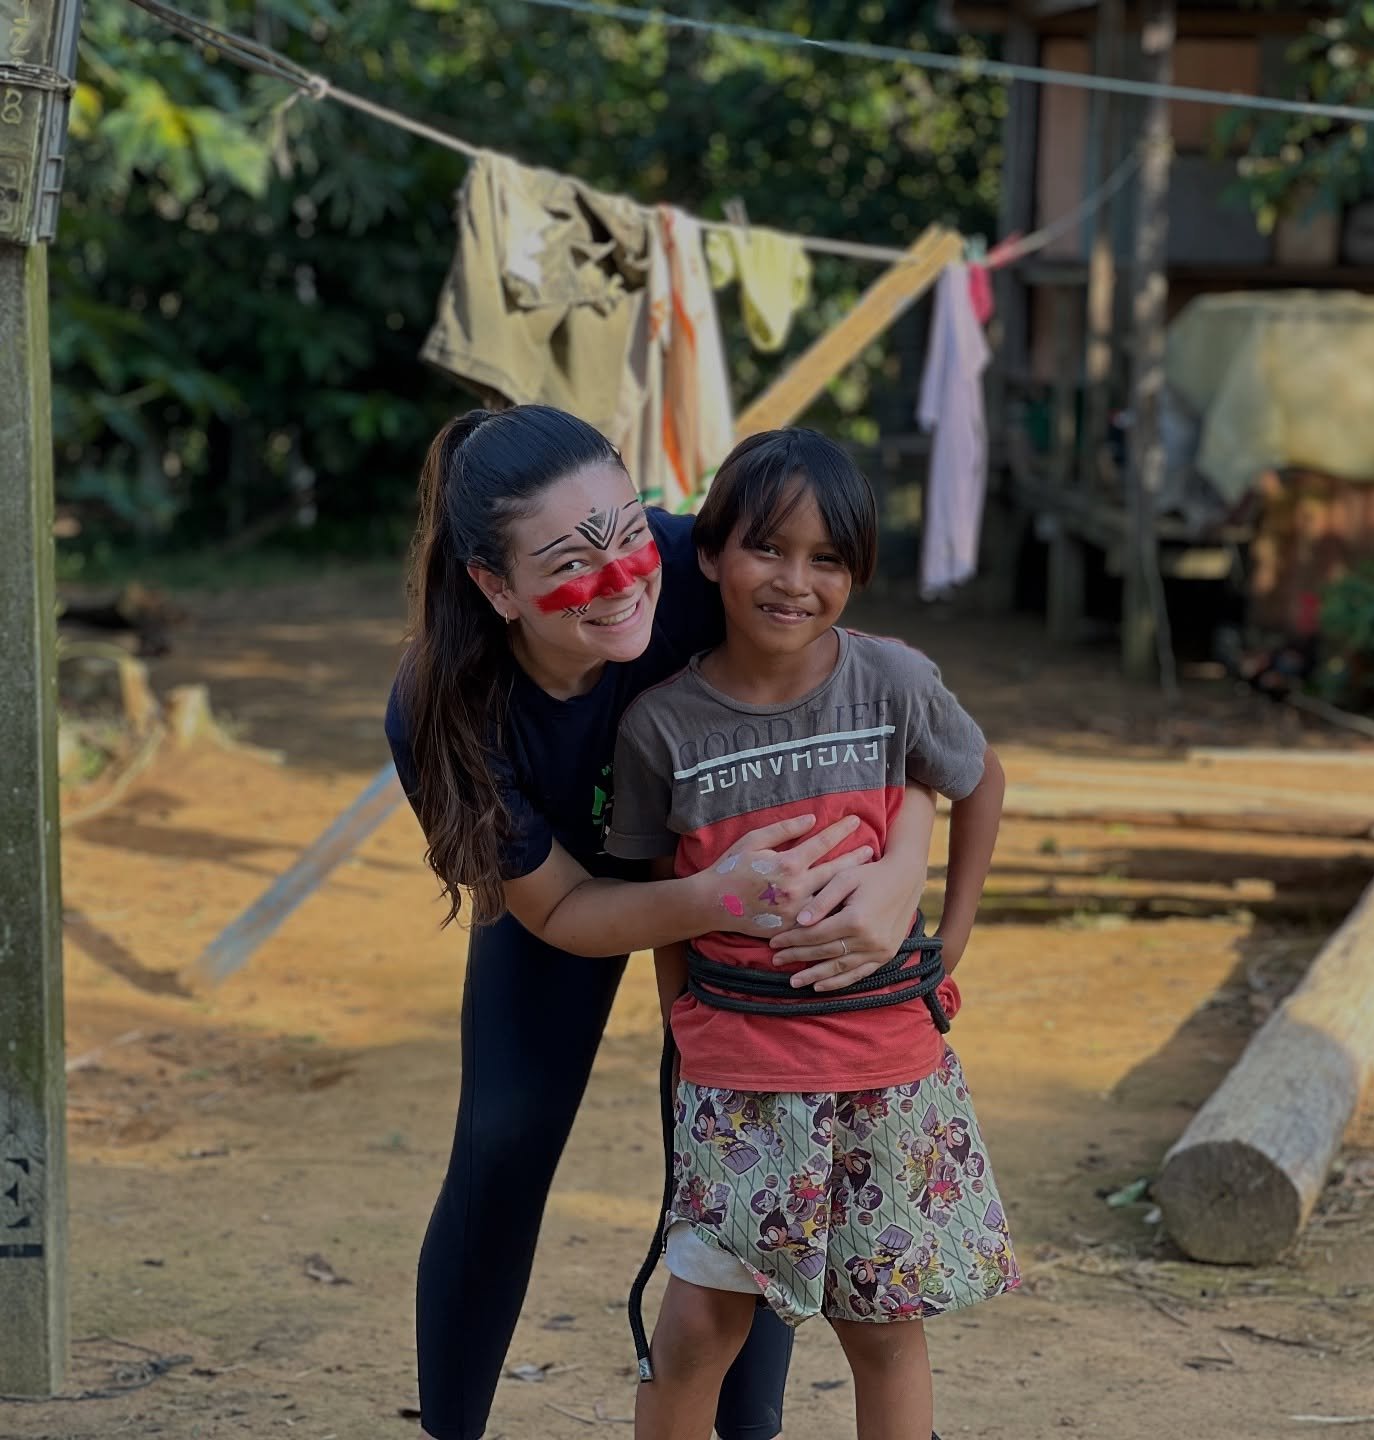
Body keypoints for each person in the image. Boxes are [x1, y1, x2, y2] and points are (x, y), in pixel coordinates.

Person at [384, 405, 941, 1440]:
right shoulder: (443, 706)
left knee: (758, 1128)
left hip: (741, 862)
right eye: (570, 563)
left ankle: (747, 1426)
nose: (621, 579)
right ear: (496, 586)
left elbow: (880, 706)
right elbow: (561, 907)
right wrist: (713, 895)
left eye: (630, 534)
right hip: (586, 890)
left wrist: (902, 873)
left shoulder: (705, 564)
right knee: (505, 1137)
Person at [605, 429, 1020, 1440]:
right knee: (697, 1325)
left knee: (881, 1329)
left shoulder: (892, 683)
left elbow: (981, 779)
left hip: (888, 1068)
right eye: (768, 548)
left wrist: (951, 939)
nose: (795, 581)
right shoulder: (659, 728)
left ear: (856, 573)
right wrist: (684, 1024)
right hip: (738, 1077)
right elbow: (668, 901)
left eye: (827, 558)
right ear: (711, 554)